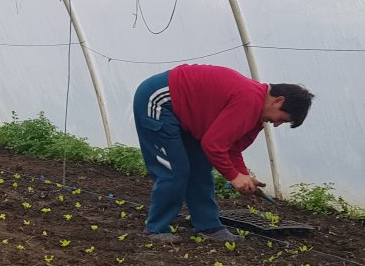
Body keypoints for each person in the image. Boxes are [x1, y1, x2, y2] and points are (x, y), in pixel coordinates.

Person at [132, 64, 312, 243]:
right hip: (159, 100)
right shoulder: (249, 100)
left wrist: (243, 174)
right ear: (278, 101)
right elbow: (213, 145)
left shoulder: (257, 113)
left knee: (200, 169)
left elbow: (231, 147)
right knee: (175, 171)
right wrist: (234, 176)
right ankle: (156, 229)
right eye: (282, 118)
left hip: (186, 114)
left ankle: (208, 226)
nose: (276, 124)